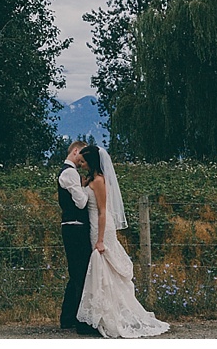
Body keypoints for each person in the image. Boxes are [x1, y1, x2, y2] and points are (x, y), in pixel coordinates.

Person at [75, 145, 170, 338]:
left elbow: (102, 211)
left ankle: (109, 314)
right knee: (101, 269)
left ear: (92, 162)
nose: (81, 164)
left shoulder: (100, 181)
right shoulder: (91, 180)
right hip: (94, 225)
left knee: (104, 266)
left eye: (83, 162)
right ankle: (101, 313)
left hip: (101, 227)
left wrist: (100, 240)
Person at [57, 140, 98, 335]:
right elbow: (81, 203)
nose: (83, 161)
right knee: (81, 273)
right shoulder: (70, 172)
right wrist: (86, 188)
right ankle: (81, 321)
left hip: (71, 226)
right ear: (75, 151)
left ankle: (68, 318)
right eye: (82, 156)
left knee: (76, 273)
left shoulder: (68, 172)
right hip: (75, 226)